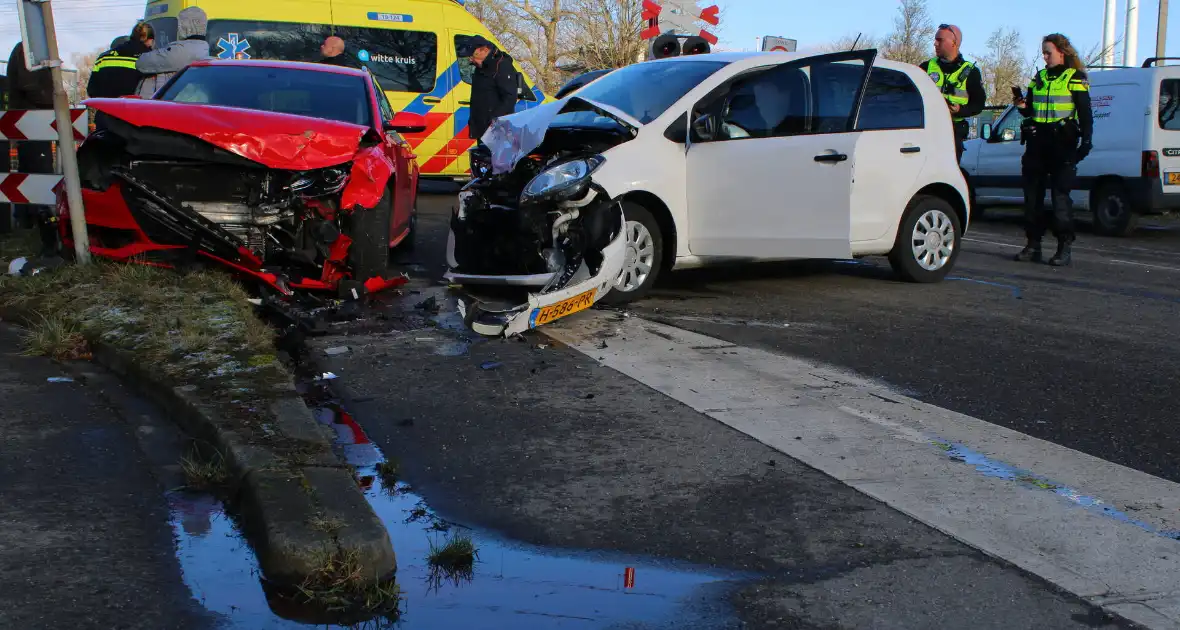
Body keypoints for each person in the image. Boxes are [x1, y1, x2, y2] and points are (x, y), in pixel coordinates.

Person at [1012, 33, 1093, 267]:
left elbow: (1085, 113)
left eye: (1048, 52)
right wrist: (1021, 106)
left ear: (1062, 52)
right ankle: (1033, 245)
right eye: (1043, 52)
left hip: (1062, 145)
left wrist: (1086, 143)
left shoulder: (1074, 78)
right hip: (1037, 144)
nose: (1044, 56)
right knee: (1032, 198)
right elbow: (1031, 111)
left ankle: (1063, 247)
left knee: (1060, 199)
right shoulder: (1039, 77)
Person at [5, 42, 56, 230]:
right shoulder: (28, 51)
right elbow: (28, 84)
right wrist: (55, 99)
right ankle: (38, 218)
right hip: (32, 119)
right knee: (38, 168)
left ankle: (27, 218)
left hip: (31, 119)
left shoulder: (28, 50)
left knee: (30, 168)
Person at [921, 24, 986, 162]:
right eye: (935, 39)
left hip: (953, 133)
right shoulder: (926, 67)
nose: (935, 43)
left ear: (954, 43)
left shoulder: (970, 72)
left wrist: (959, 110)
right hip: (927, 131)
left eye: (940, 40)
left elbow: (978, 104)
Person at [134, 6, 210, 98]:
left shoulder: (180, 51)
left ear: (192, 24)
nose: (178, 27)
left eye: (181, 22)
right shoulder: (203, 49)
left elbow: (142, 62)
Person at [460, 35, 519, 142]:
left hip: (497, 128)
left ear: (485, 50)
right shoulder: (480, 67)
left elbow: (509, 97)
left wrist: (494, 120)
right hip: (481, 127)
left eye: (474, 55)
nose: (471, 59)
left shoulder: (501, 66)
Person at [88, 23, 155, 99]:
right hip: (135, 108)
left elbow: (91, 90)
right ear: (150, 40)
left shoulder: (103, 58)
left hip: (105, 108)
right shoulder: (149, 59)